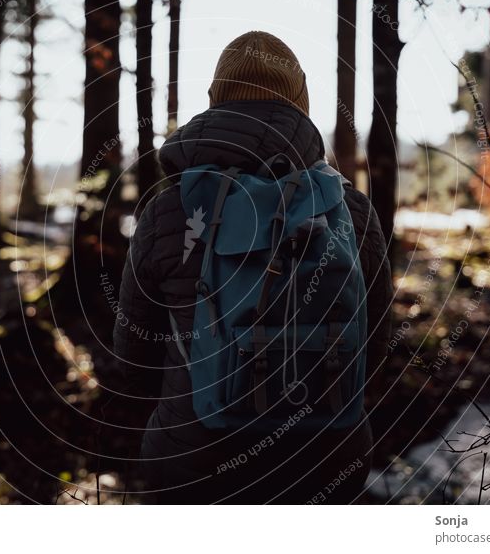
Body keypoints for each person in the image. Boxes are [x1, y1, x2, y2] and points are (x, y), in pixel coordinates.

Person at [113, 31, 393, 504]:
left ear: (216, 100)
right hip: (324, 461)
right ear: (301, 106)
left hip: (196, 468)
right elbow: (376, 347)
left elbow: (132, 359)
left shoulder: (169, 211)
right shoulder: (351, 210)